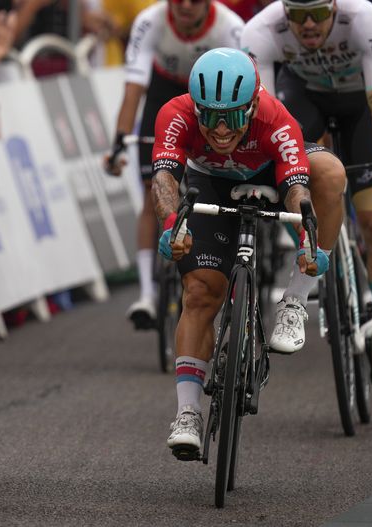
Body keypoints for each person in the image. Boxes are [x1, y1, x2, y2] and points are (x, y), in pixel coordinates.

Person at [152, 48, 346, 457]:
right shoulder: (175, 112)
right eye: (209, 116)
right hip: (209, 183)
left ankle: (296, 297)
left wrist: (307, 239)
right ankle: (188, 413)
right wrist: (174, 226)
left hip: (269, 174)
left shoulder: (275, 118)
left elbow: (296, 190)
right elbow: (165, 179)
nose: (221, 130)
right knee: (200, 294)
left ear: (253, 104)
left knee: (330, 172)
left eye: (234, 117)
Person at [242, 0, 372, 396]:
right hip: (304, 100)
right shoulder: (260, 31)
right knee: (297, 181)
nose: (308, 24)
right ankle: (312, 249)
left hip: (360, 107)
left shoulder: (363, 17)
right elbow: (266, 121)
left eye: (318, 13)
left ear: (335, 6)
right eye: (297, 16)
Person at [104, 0, 245, 331]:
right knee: (151, 191)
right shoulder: (149, 21)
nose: (184, 6)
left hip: (213, 98)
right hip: (165, 93)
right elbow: (134, 89)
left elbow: (249, 92)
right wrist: (118, 142)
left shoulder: (230, 26)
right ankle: (147, 293)